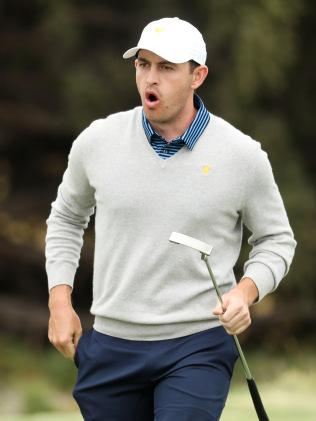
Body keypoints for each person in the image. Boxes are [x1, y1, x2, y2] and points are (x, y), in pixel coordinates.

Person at [45, 17, 296, 421]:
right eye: (143, 64)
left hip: (197, 343)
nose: (151, 78)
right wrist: (60, 301)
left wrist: (245, 293)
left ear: (198, 75)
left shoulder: (242, 155)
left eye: (166, 68)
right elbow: (67, 219)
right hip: (112, 343)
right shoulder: (98, 141)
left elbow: (276, 240)